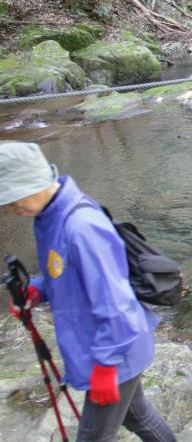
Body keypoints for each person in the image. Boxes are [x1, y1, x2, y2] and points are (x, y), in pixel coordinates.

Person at [0, 142, 177, 442]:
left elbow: (115, 303)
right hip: (111, 350)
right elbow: (65, 273)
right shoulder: (50, 217)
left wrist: (107, 367)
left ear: (32, 182)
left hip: (114, 353)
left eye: (12, 198)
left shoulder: (81, 226)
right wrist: (36, 290)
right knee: (139, 418)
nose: (9, 208)